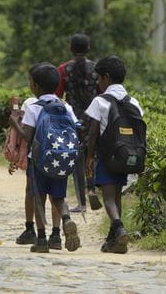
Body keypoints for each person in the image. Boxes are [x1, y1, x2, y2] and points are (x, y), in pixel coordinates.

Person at [9, 63, 81, 254]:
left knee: (39, 198)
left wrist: (14, 123)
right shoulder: (66, 106)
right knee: (58, 197)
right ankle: (62, 226)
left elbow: (27, 137)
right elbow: (76, 130)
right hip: (62, 158)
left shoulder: (34, 107)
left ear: (36, 86)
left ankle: (41, 240)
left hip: (38, 161)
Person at [83, 55, 144, 254]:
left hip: (107, 157)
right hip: (127, 156)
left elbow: (93, 132)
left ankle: (119, 228)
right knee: (117, 195)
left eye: (98, 78)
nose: (98, 83)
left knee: (108, 198)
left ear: (107, 77)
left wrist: (89, 157)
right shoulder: (133, 101)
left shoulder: (100, 101)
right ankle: (113, 241)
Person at [57, 33, 97, 212]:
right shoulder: (96, 69)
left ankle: (82, 203)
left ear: (70, 48)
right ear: (88, 49)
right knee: (91, 155)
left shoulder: (64, 69)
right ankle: (92, 189)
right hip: (93, 118)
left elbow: (57, 95)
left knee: (77, 159)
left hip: (72, 120)